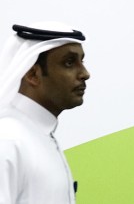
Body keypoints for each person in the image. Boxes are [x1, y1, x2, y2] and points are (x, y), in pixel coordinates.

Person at [0, 22, 90, 203]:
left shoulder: (39, 134)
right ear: (33, 74)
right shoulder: (8, 141)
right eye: (69, 63)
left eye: (82, 61)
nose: (85, 73)